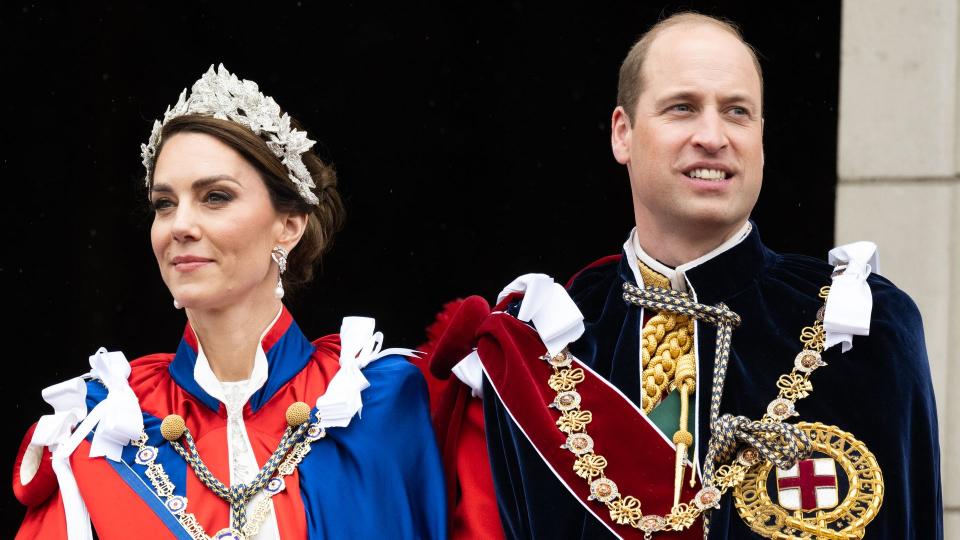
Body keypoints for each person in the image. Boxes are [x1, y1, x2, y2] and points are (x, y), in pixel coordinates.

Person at [418, 13, 942, 539]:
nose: (712, 137)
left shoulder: (862, 325)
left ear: (761, 137)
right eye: (682, 108)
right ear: (623, 134)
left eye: (737, 112)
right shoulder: (541, 346)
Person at [12, 64, 447, 539]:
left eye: (215, 197)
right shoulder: (106, 425)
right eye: (164, 203)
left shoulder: (375, 402)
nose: (180, 225)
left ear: (290, 225)